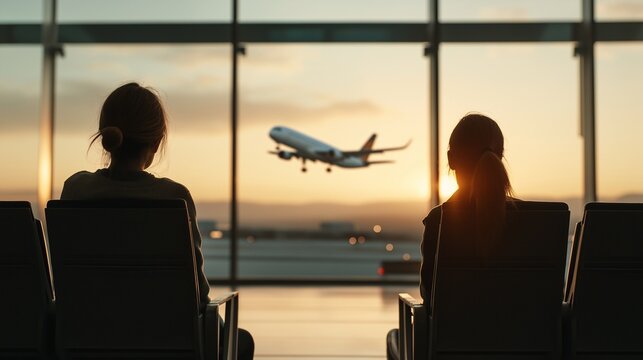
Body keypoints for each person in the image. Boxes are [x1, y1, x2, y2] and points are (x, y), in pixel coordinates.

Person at [60, 82, 254, 359]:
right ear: (156, 141)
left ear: (106, 134)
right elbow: (197, 295)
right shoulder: (174, 197)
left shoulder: (75, 190)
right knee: (240, 340)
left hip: (88, 337)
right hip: (167, 342)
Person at [386, 113, 515, 360]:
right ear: (500, 157)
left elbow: (429, 295)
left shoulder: (439, 221)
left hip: (451, 347)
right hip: (522, 344)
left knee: (394, 337)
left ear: (451, 159)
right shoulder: (535, 221)